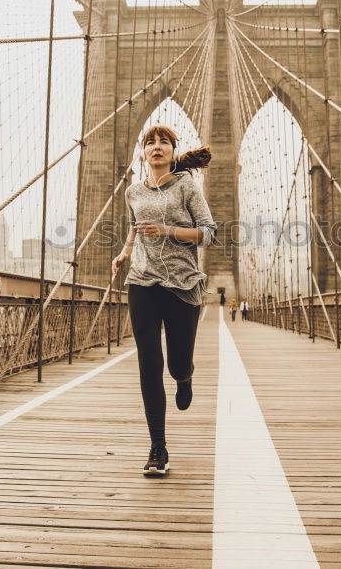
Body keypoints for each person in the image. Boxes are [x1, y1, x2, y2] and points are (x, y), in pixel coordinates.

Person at [111, 124, 216, 477]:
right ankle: (158, 446)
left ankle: (184, 377)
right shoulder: (133, 191)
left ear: (173, 150)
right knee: (149, 363)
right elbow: (135, 226)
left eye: (164, 142)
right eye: (150, 143)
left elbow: (208, 233)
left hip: (183, 284)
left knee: (176, 363)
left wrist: (168, 231)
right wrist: (125, 253)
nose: (156, 147)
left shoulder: (187, 185)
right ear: (143, 152)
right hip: (142, 282)